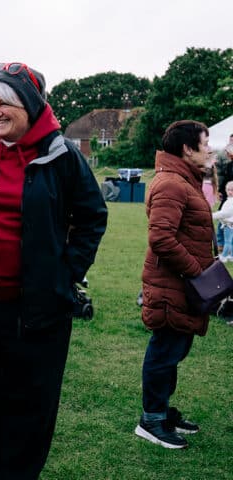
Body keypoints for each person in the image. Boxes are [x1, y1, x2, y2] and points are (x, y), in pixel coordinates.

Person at [0, 62, 107, 478]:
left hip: (36, 313)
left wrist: (65, 275)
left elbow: (92, 217)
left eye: (5, 103)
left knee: (30, 410)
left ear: (29, 106)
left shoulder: (61, 154)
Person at [137, 120, 213, 449]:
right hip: (174, 283)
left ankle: (162, 411)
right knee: (164, 351)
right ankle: (151, 420)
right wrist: (199, 273)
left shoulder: (184, 180)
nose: (209, 149)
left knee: (174, 349)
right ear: (187, 148)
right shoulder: (171, 183)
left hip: (181, 284)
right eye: (205, 143)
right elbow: (161, 239)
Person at [213, 181, 233, 262]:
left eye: (232, 190)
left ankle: (224, 256)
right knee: (231, 241)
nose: (230, 192)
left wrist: (213, 215)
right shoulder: (229, 200)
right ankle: (231, 256)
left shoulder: (231, 202)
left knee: (227, 241)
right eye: (228, 190)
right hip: (229, 224)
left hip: (228, 225)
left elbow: (225, 213)